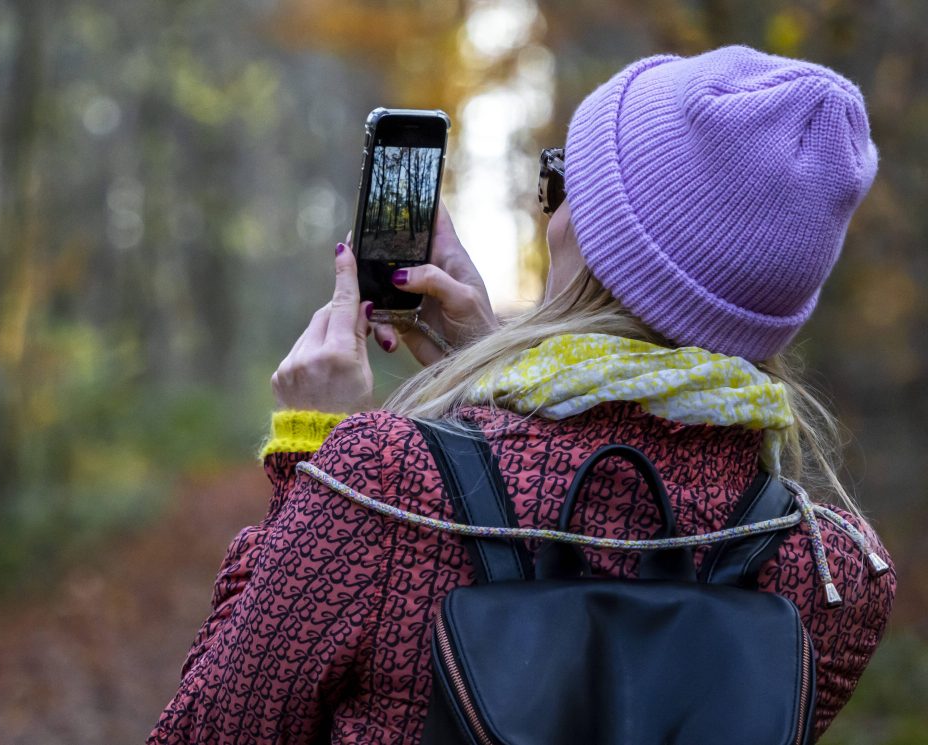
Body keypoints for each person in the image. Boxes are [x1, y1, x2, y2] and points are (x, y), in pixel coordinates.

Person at [149, 45, 896, 744]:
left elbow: (209, 727)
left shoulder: (384, 484)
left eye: (563, 184)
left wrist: (311, 455)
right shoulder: (831, 574)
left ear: (598, 242)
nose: (551, 213)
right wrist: (481, 368)